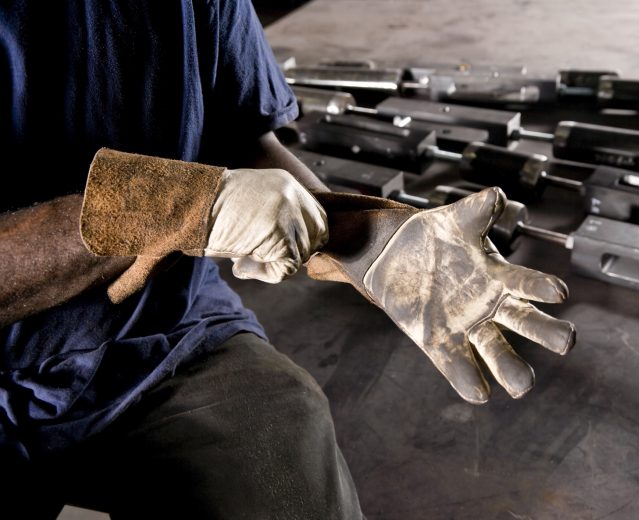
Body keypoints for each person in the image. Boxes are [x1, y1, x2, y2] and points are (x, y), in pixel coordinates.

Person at [0, 1, 575, 518]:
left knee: (285, 440)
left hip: (166, 333)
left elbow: (243, 131)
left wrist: (372, 241)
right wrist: (187, 207)